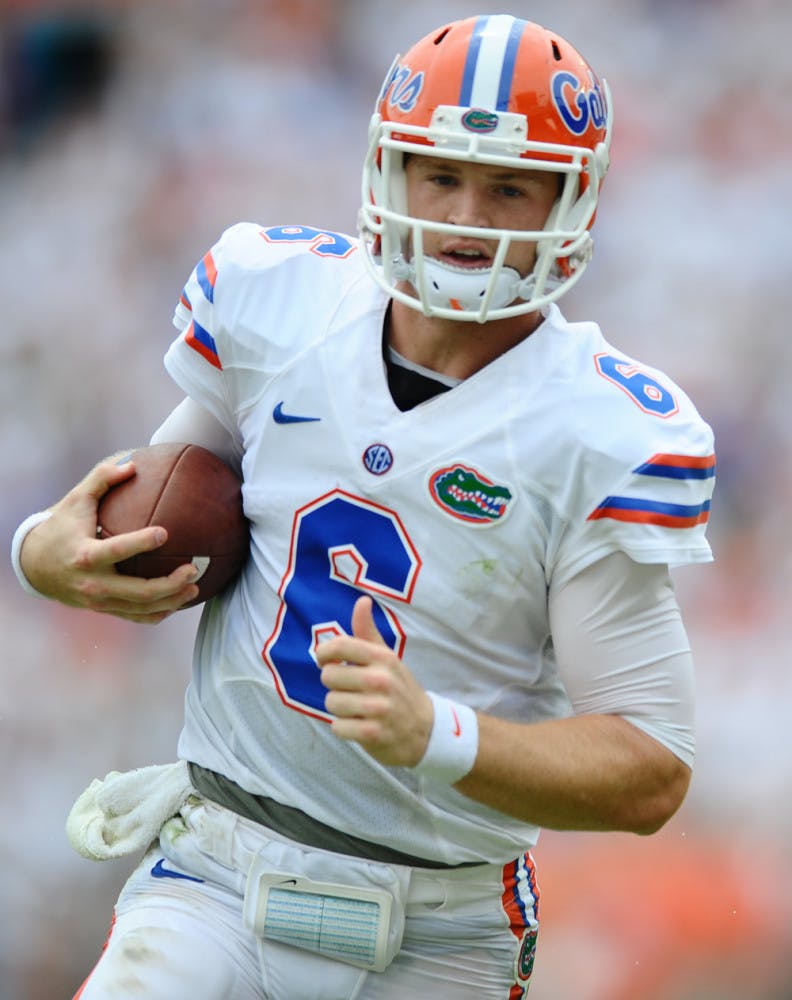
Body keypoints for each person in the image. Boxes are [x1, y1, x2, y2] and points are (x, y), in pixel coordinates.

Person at [12, 14, 716, 1000]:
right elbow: (160, 491)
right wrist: (41, 549)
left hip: (441, 925)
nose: (468, 214)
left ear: (572, 200)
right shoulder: (278, 299)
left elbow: (650, 769)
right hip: (218, 859)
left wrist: (438, 732)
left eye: (510, 186)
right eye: (442, 174)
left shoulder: (597, 428)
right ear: (388, 172)